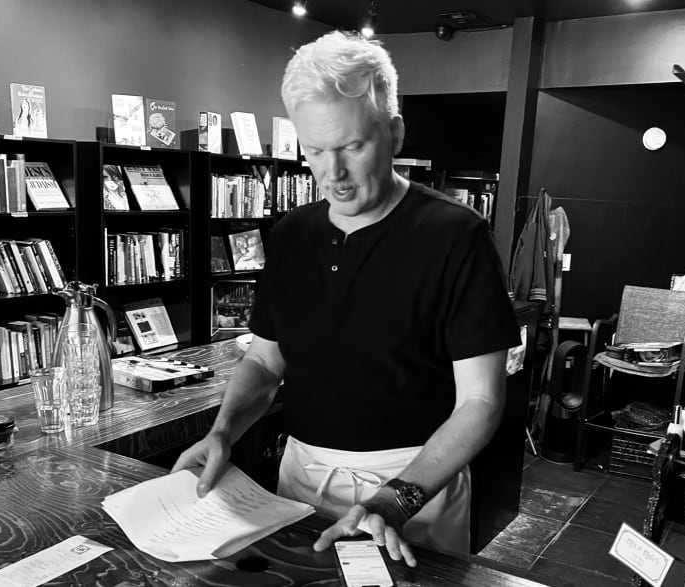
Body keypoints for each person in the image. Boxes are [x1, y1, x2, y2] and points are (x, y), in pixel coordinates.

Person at [172, 30, 519, 564]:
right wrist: (224, 431)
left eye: (352, 146)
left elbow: (481, 402)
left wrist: (396, 501)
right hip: (301, 481)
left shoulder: (456, 235)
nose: (332, 174)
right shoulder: (291, 235)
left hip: (415, 490)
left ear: (395, 133)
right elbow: (265, 360)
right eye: (315, 151)